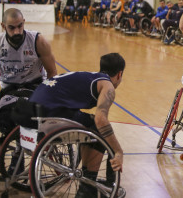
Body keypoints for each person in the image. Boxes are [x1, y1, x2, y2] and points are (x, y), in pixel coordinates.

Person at [29, 53, 125, 196]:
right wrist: (118, 151)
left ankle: (89, 179)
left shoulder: (90, 76)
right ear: (119, 74)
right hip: (50, 113)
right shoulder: (107, 85)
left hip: (32, 108)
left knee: (89, 123)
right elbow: (101, 120)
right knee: (100, 130)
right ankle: (88, 187)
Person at [0, 8, 57, 135]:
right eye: (11, 28)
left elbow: (52, 72)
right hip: (9, 88)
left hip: (34, 85)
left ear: (24, 22)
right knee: (5, 122)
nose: (17, 31)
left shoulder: (38, 41)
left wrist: (48, 97)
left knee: (28, 115)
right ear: (3, 26)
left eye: (20, 26)